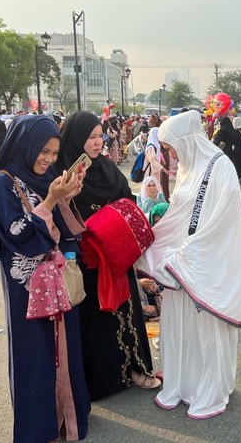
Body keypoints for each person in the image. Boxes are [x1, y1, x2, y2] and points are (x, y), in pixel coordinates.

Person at [137, 110, 241, 419]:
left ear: (185, 141)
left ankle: (209, 387)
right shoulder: (188, 168)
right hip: (182, 263)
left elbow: (222, 223)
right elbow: (178, 216)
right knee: (180, 329)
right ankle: (183, 385)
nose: (169, 155)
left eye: (169, 147)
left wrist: (186, 257)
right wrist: (151, 242)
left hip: (206, 265)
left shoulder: (220, 167)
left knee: (207, 331)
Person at [0, 115, 90, 443]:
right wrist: (49, 201)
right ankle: (38, 428)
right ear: (24, 144)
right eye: (42, 151)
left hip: (56, 277)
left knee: (65, 349)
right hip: (27, 286)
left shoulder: (43, 180)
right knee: (36, 353)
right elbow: (18, 234)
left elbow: (63, 227)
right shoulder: (1, 184)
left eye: (54, 154)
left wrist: (66, 195)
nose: (47, 159)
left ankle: (67, 419)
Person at [55, 110, 159, 401]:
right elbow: (62, 216)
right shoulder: (64, 174)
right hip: (89, 261)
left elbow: (128, 197)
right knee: (98, 322)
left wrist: (115, 217)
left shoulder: (107, 168)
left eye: (100, 136)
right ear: (77, 139)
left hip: (117, 253)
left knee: (127, 313)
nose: (98, 142)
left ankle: (134, 370)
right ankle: (101, 381)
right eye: (91, 137)